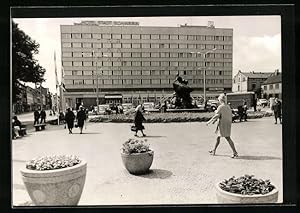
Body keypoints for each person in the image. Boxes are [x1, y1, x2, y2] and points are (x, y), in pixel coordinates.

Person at [206, 93, 238, 158]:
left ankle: (235, 152)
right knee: (219, 137)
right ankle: (214, 150)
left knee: (227, 138)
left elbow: (217, 115)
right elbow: (228, 115)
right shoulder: (228, 106)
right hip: (227, 124)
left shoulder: (220, 107)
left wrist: (209, 121)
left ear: (220, 100)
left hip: (222, 124)